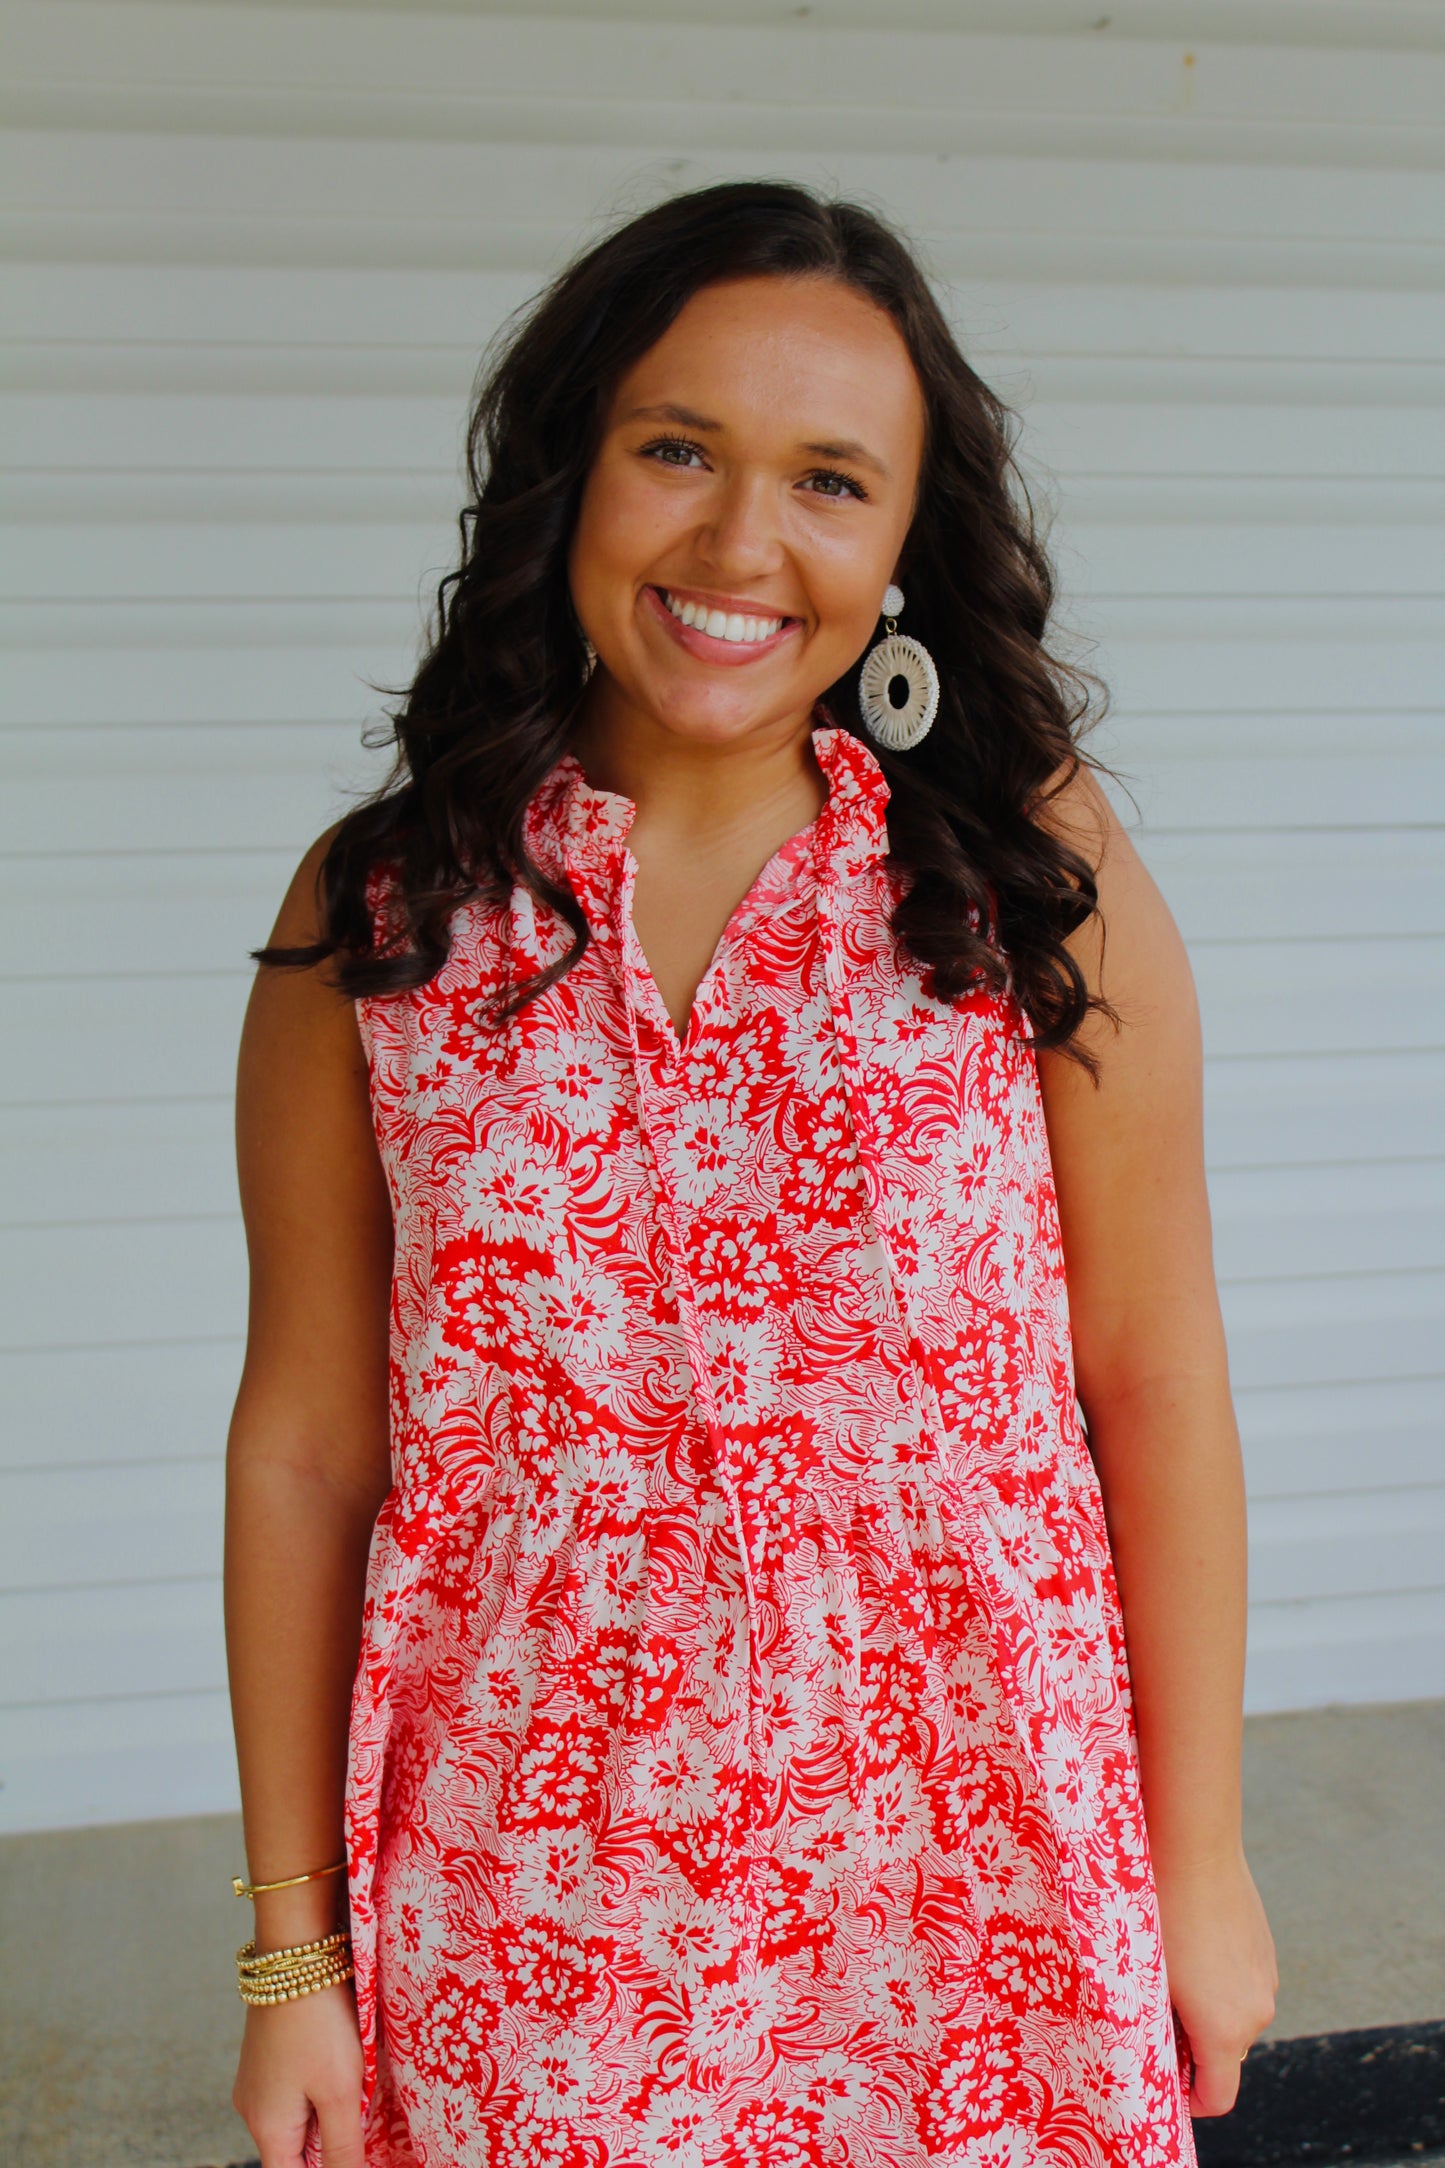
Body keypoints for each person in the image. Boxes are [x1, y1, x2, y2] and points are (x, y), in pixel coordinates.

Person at [224, 181, 1277, 2168]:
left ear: (900, 548)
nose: (740, 543)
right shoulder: (388, 911)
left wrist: (1200, 1866)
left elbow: (1156, 1379)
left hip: (979, 1881)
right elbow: (301, 1448)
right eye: (680, 451)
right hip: (540, 1894)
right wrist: (293, 1960)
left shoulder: (1026, 876)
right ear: (573, 475)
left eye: (828, 482)